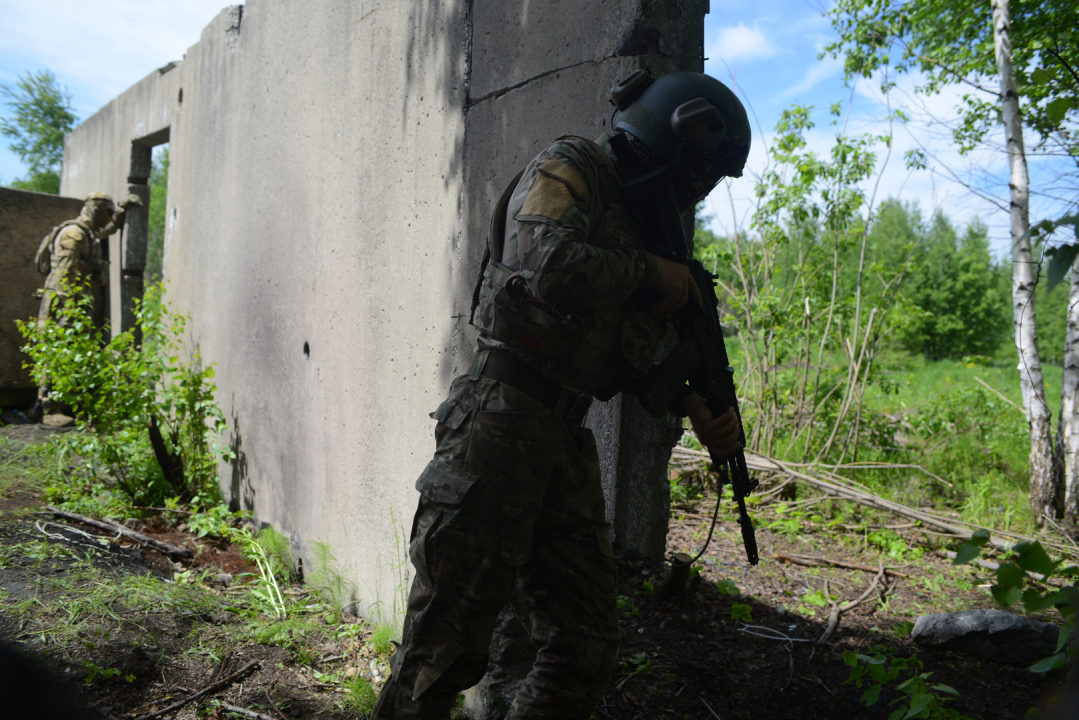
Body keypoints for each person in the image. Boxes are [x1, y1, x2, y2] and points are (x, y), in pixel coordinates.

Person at [371, 70, 752, 720]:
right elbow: (539, 264)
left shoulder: (641, 227)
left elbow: (618, 352)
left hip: (561, 442)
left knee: (582, 647)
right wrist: (647, 273)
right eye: (701, 174)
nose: (698, 193)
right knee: (441, 654)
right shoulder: (572, 165)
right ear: (672, 142)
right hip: (497, 425)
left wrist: (691, 400)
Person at [29, 191, 140, 420]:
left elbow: (105, 231)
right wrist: (70, 312)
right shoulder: (74, 234)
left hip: (75, 302)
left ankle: (63, 404)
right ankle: (49, 408)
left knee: (72, 352)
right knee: (58, 350)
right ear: (96, 210)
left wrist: (120, 210)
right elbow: (64, 276)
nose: (109, 217)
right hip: (64, 302)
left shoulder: (87, 233)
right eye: (106, 212)